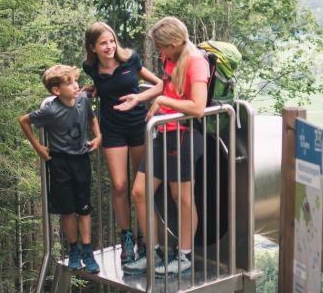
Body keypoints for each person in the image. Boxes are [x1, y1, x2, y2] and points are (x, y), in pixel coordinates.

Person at [115, 17, 210, 277]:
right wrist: (140, 97)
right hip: (163, 132)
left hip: (184, 134)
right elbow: (165, 85)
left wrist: (164, 101)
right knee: (139, 192)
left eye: (162, 46)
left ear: (175, 42)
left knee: (182, 197)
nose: (160, 51)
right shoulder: (172, 57)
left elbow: (198, 107)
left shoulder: (196, 62)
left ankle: (185, 256)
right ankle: (153, 251)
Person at [81, 22, 161, 266]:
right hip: (112, 129)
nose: (109, 46)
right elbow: (105, 85)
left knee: (140, 186)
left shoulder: (130, 59)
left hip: (138, 126)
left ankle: (144, 237)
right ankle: (127, 237)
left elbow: (160, 85)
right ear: (93, 47)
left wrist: (141, 98)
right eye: (103, 43)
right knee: (119, 186)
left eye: (112, 41)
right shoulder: (90, 67)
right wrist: (95, 88)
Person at [19, 64, 102, 273]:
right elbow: (24, 121)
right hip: (59, 162)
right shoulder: (50, 110)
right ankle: (74, 250)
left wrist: (98, 136)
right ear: (56, 90)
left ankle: (87, 251)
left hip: (81, 159)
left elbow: (92, 119)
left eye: (76, 81)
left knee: (84, 207)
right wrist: (38, 147)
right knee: (67, 209)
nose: (76, 86)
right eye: (70, 83)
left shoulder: (83, 100)